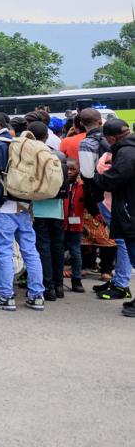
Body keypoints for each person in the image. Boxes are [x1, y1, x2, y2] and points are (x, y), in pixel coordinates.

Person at [0, 113, 46, 311]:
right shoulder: (20, 143)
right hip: (24, 206)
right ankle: (36, 295)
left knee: (4, 251)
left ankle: (6, 296)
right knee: (30, 251)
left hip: (2, 207)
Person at [93, 118, 135, 318]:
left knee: (131, 250)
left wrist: (97, 179)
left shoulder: (126, 152)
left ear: (111, 137)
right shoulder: (128, 148)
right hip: (128, 208)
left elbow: (116, 178)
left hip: (130, 211)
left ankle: (122, 285)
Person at [27, 121, 68, 302]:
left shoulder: (31, 155)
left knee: (42, 247)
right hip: (57, 209)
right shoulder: (57, 155)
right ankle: (59, 286)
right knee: (57, 246)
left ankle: (48, 286)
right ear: (46, 136)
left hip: (38, 208)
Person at [63, 159, 86, 293]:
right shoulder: (60, 183)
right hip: (60, 224)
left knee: (75, 252)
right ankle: (56, 280)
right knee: (58, 251)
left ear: (78, 170)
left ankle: (76, 280)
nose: (70, 172)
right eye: (68, 169)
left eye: (73, 169)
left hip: (76, 226)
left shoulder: (83, 186)